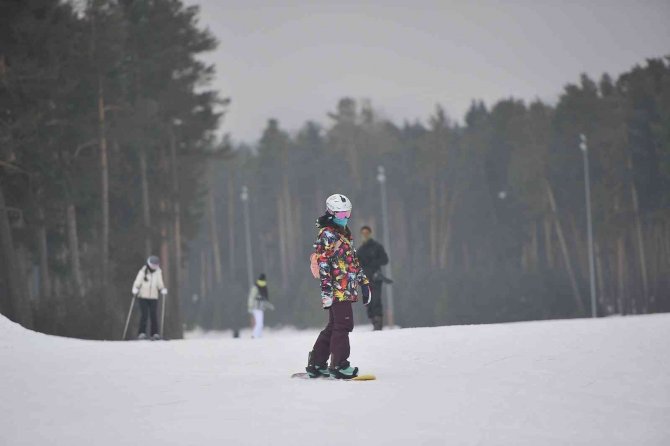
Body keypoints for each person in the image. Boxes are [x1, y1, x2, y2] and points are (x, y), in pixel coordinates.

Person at [305, 194, 371, 379]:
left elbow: (352, 262)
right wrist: (326, 292)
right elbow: (324, 265)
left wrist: (364, 283)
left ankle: (317, 363)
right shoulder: (327, 235)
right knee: (343, 324)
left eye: (348, 214)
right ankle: (339, 365)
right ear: (331, 213)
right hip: (337, 290)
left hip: (346, 287)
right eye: (341, 215)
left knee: (334, 325)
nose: (345, 218)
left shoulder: (343, 233)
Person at [357, 226, 389, 330]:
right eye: (363, 233)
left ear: (370, 234)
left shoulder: (377, 247)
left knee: (376, 300)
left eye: (367, 233)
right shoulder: (360, 251)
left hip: (376, 278)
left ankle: (378, 324)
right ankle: (374, 321)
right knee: (369, 303)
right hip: (365, 280)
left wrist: (374, 263)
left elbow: (385, 260)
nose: (365, 235)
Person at [131, 255, 167, 340]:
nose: (154, 267)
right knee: (144, 315)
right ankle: (141, 333)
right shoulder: (143, 271)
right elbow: (138, 281)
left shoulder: (158, 272)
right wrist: (135, 288)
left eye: (156, 265)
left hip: (154, 297)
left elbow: (159, 283)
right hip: (143, 296)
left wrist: (162, 289)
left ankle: (154, 333)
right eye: (153, 265)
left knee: (153, 315)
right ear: (149, 264)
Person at [247, 273, 274, 338]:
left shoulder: (264, 288)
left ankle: (258, 335)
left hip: (261, 308)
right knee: (259, 323)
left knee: (260, 324)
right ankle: (254, 335)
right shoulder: (255, 288)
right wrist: (250, 307)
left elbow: (264, 300)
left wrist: (269, 306)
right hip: (255, 308)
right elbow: (251, 297)